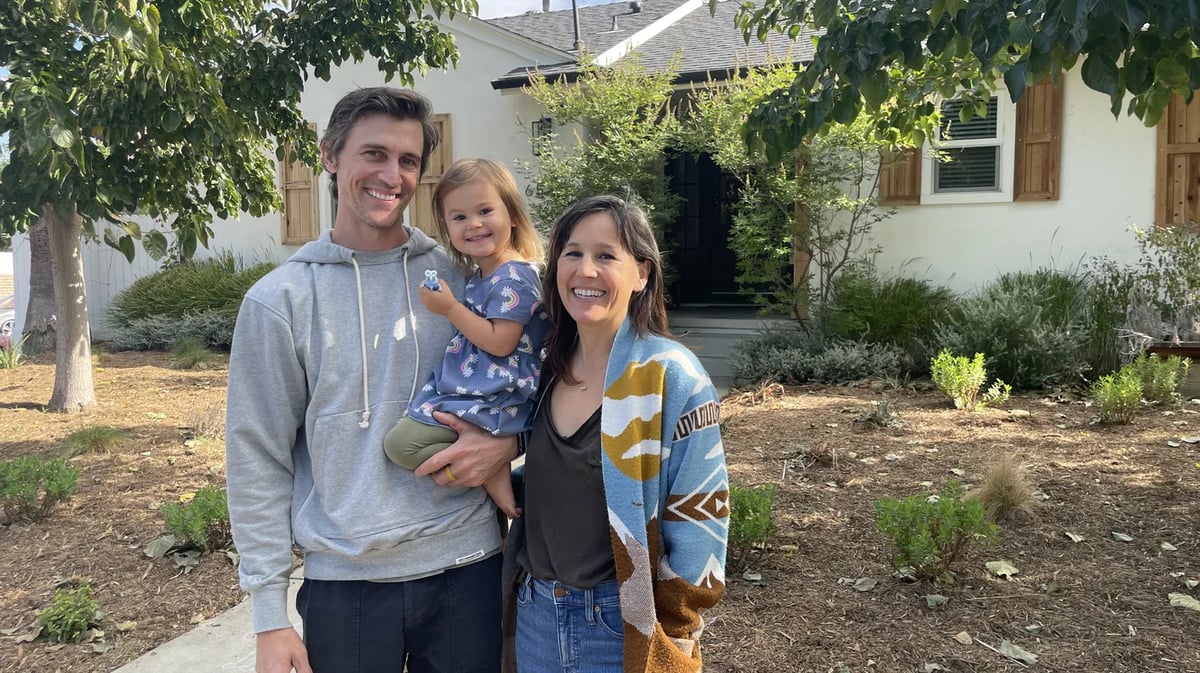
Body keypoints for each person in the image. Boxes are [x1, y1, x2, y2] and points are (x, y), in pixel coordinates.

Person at [225, 87, 516, 673]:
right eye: (374, 154)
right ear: (330, 155)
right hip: (347, 583)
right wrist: (268, 615)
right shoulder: (280, 301)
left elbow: (540, 385)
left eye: (408, 161)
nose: (392, 175)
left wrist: (510, 444)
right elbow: (256, 455)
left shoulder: (465, 281)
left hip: (469, 564)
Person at [497, 195, 730, 673]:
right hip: (535, 617)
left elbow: (702, 514)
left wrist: (677, 632)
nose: (586, 270)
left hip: (619, 627)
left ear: (641, 273)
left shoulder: (671, 377)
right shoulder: (544, 372)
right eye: (572, 253)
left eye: (606, 255)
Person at [384, 158, 550, 519]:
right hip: (472, 389)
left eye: (485, 210)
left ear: (513, 215)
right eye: (458, 217)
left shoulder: (514, 278)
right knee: (400, 443)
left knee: (401, 446)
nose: (473, 224)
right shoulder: (482, 274)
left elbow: (501, 342)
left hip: (492, 395)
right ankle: (492, 469)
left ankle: (489, 467)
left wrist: (449, 308)